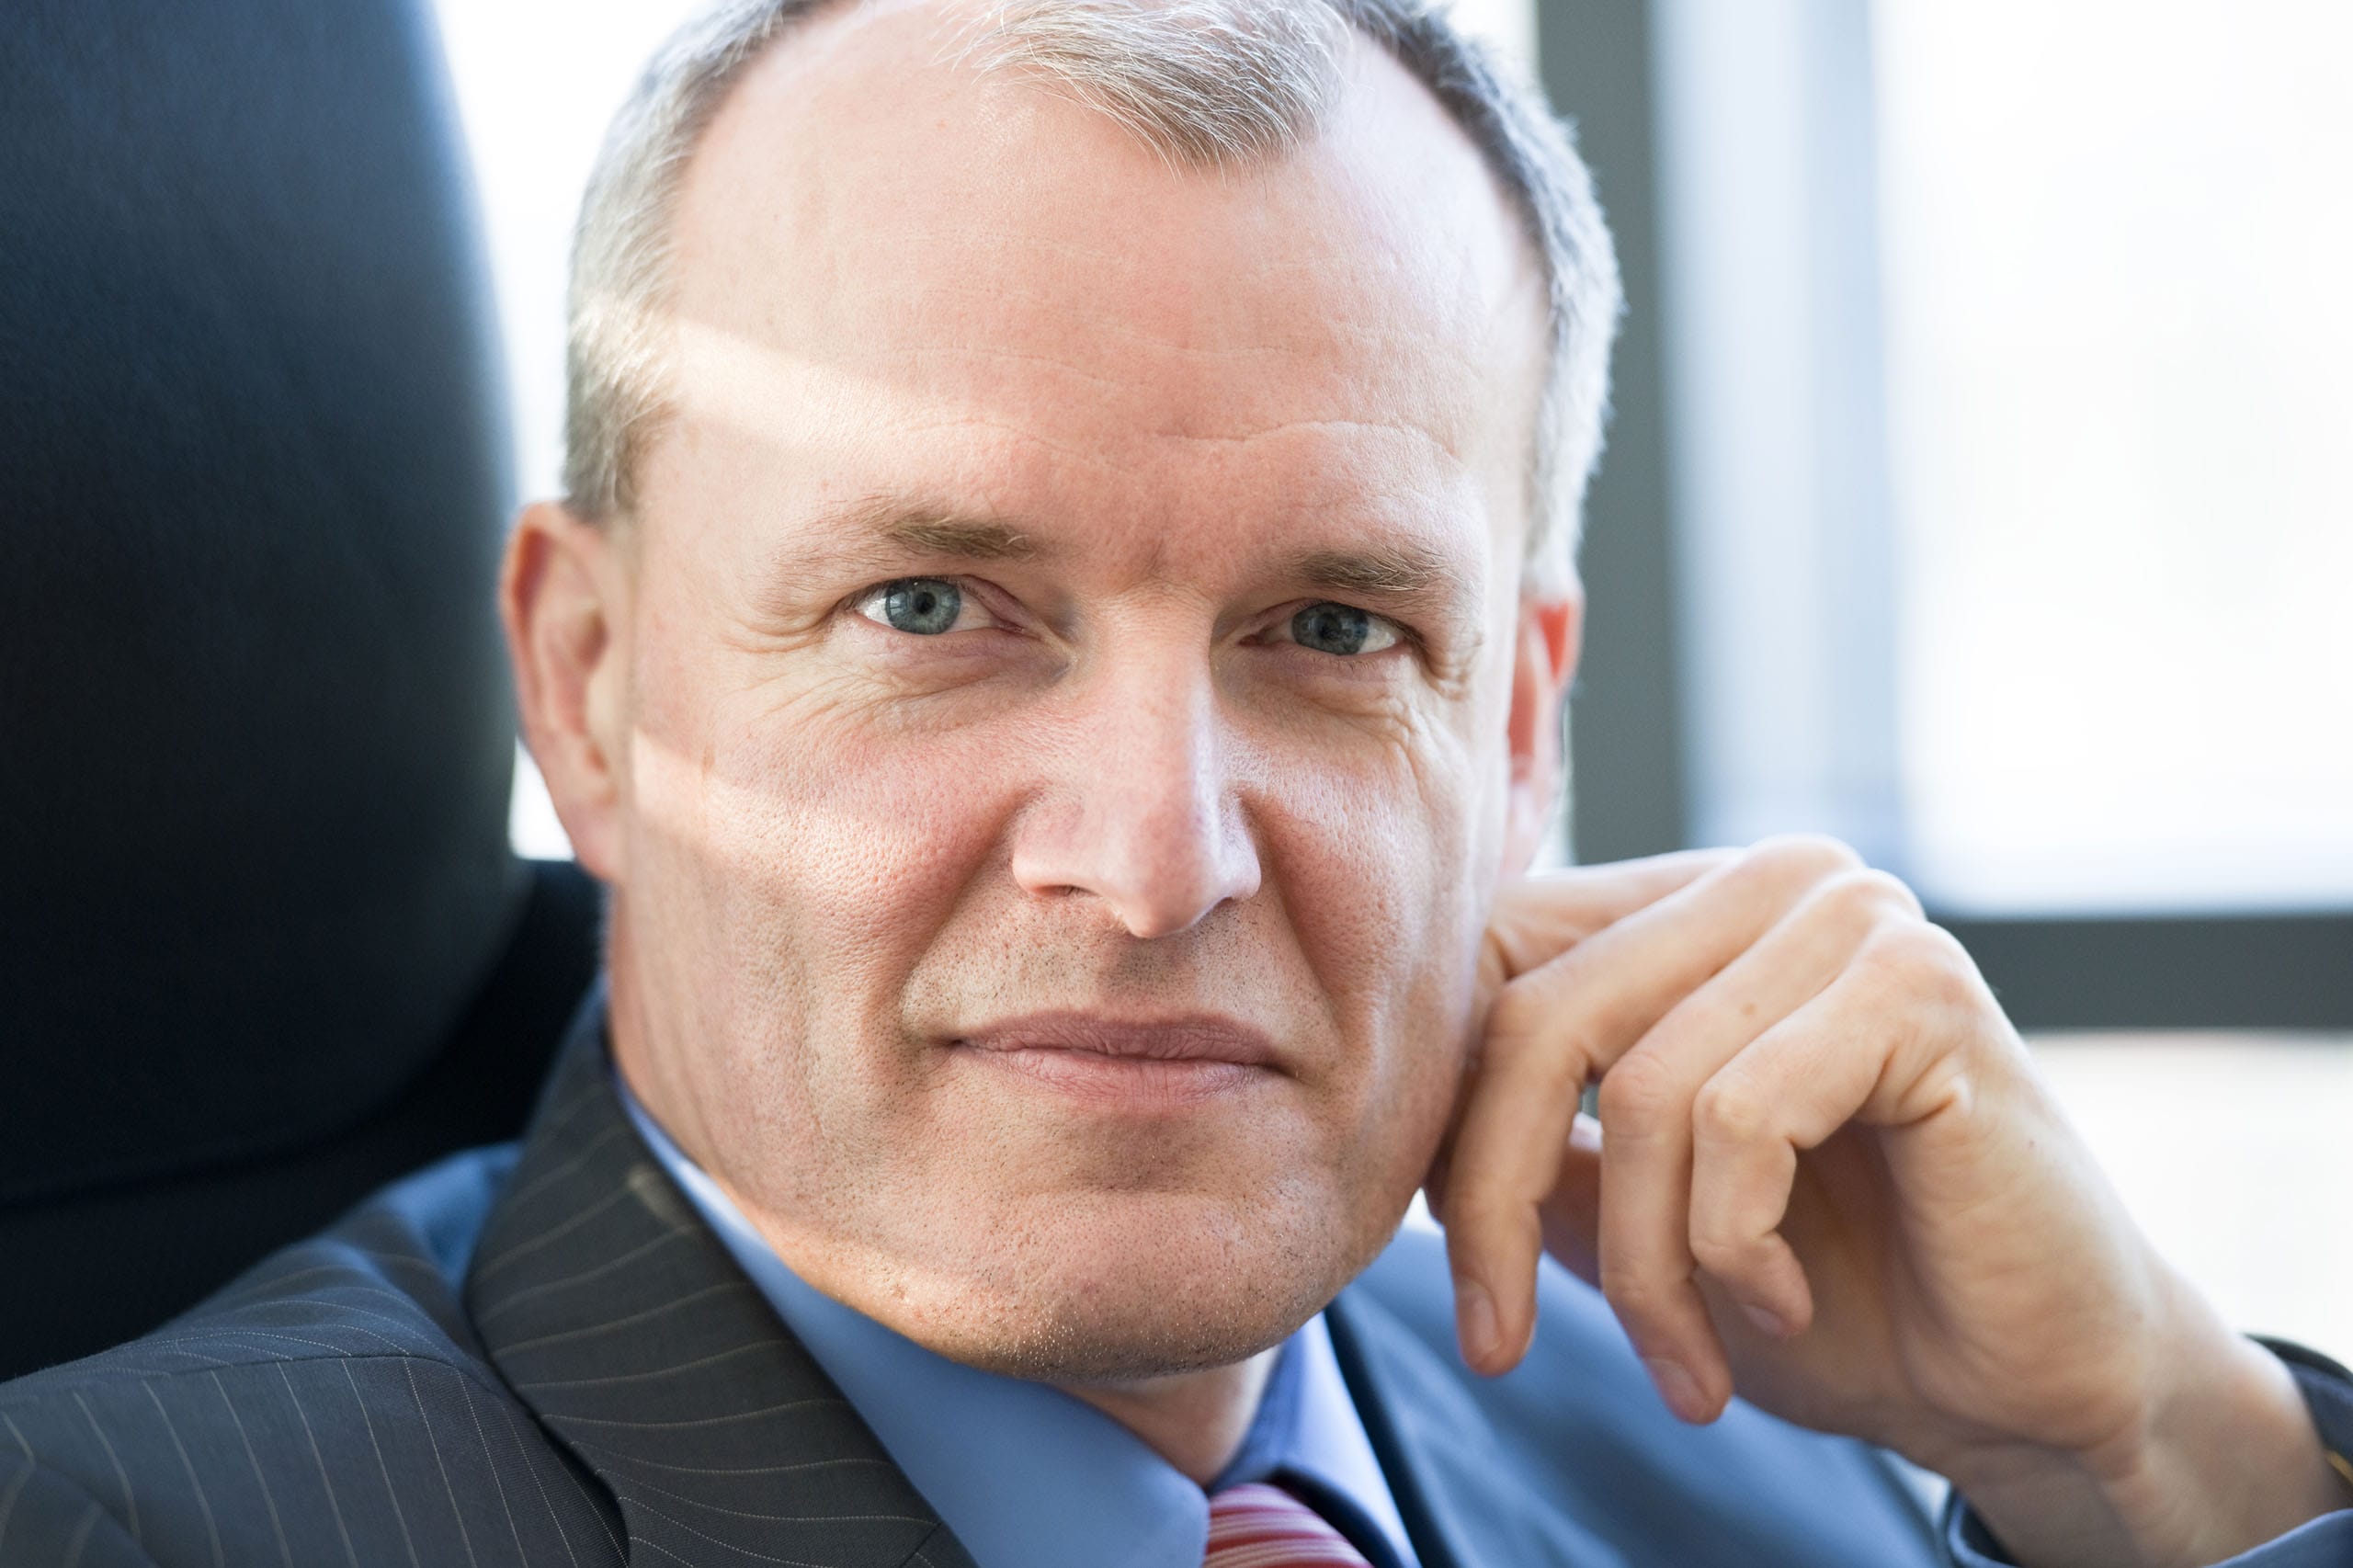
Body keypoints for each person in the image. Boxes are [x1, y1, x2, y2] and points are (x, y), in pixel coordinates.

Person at [3, 0, 2348, 1562]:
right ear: (589, 685)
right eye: (930, 605)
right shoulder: (135, 1533)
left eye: (1330, 632)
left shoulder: (1772, 1440)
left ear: (1512, 733)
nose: (1151, 861)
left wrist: (2155, 1448)